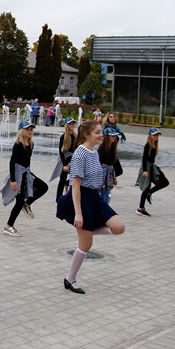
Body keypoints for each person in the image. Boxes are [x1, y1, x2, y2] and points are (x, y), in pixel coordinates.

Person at [56, 120, 125, 294]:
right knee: (86, 244)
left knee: (119, 227)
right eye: (97, 132)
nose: (101, 135)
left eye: (101, 132)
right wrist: (78, 214)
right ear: (87, 134)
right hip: (82, 198)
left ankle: (89, 229)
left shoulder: (94, 152)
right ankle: (70, 279)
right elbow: (75, 185)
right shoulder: (80, 154)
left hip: (94, 197)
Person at [0, 121, 48, 237]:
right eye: (27, 129)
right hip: (18, 175)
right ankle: (9, 226)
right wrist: (13, 180)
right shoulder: (18, 145)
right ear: (22, 131)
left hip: (26, 173)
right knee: (19, 201)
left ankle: (27, 204)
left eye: (31, 129)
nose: (30, 131)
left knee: (43, 187)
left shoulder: (31, 144)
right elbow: (12, 162)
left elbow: (28, 161)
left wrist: (29, 177)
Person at [136, 128, 169, 217]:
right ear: (150, 135)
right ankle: (140, 208)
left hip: (152, 166)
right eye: (154, 135)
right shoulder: (148, 145)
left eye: (157, 135)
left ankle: (149, 193)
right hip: (147, 167)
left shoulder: (155, 145)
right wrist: (145, 170)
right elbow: (144, 158)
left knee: (165, 182)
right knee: (146, 187)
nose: (156, 136)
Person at [51, 117, 77, 201]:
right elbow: (61, 152)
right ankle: (58, 198)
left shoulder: (75, 136)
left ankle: (67, 184)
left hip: (73, 160)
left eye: (73, 123)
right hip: (65, 160)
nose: (72, 125)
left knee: (77, 175)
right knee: (62, 179)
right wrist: (64, 164)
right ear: (66, 125)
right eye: (70, 123)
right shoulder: (64, 137)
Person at [98, 126, 122, 204]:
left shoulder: (113, 148)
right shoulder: (102, 148)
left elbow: (113, 164)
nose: (114, 138)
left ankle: (103, 209)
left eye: (114, 136)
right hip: (102, 172)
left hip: (109, 173)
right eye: (112, 136)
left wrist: (114, 178)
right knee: (102, 193)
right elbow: (99, 162)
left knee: (107, 194)